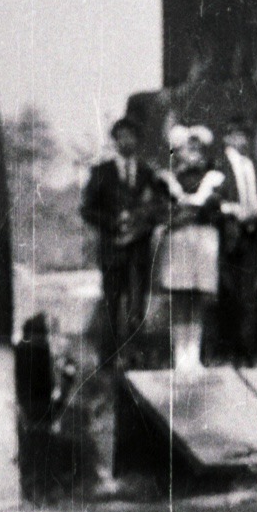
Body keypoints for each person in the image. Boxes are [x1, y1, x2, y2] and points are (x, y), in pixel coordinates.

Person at [80, 117, 157, 366]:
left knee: (137, 304)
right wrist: (113, 222)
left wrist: (142, 224)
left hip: (139, 251)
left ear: (138, 140)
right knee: (111, 303)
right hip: (112, 249)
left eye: (132, 136)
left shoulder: (148, 173)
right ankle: (109, 359)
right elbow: (87, 210)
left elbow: (157, 208)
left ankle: (135, 357)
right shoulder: (101, 172)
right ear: (115, 140)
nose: (127, 141)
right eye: (122, 136)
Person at [155, 125, 225, 373]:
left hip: (203, 241)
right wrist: (183, 212)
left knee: (197, 298)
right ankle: (180, 355)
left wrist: (195, 208)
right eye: (188, 147)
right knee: (181, 297)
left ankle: (193, 355)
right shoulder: (168, 180)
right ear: (179, 151)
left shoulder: (212, 179)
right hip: (180, 241)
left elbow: (213, 209)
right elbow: (164, 213)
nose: (193, 152)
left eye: (198, 148)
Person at [216, 116, 257, 365]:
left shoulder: (256, 165)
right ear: (226, 137)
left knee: (249, 296)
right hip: (229, 236)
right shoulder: (218, 165)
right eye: (235, 134)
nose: (241, 139)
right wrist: (233, 210)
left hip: (252, 236)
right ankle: (229, 350)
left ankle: (248, 352)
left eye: (244, 135)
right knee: (229, 294)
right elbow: (213, 200)